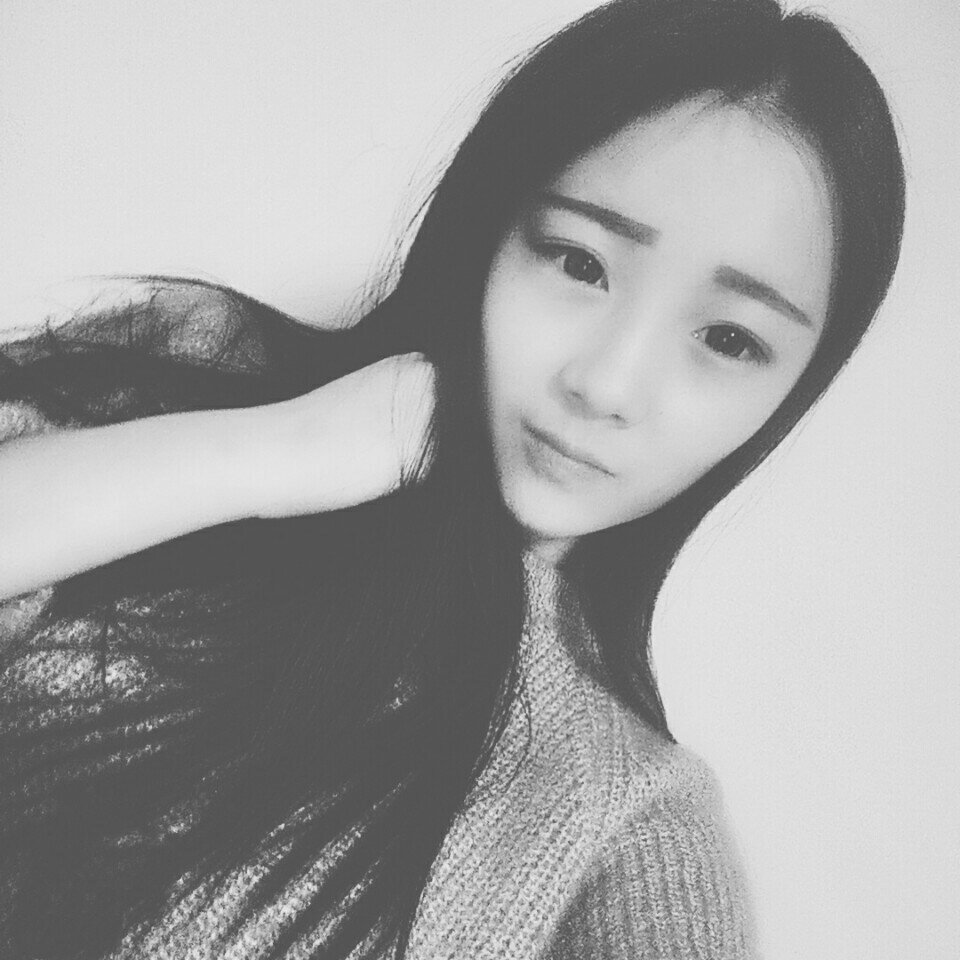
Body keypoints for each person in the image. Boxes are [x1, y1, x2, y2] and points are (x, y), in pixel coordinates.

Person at [0, 0, 904, 957]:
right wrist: (282, 449)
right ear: (488, 225)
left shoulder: (631, 822)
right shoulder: (197, 366)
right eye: (579, 262)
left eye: (728, 339)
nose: (606, 385)